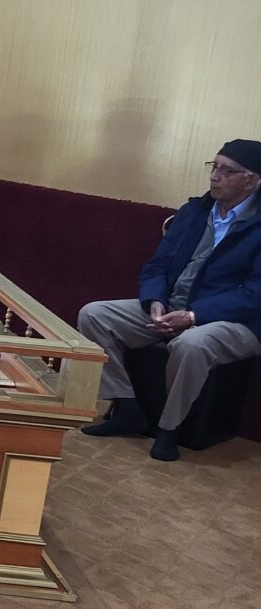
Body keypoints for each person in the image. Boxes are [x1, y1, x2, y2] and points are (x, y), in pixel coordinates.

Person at [78, 139, 261, 462]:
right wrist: (155, 301)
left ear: (252, 180)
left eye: (227, 170)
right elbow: (158, 265)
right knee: (94, 314)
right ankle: (127, 407)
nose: (214, 176)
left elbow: (254, 294)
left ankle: (168, 429)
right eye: (214, 166)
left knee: (191, 344)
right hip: (174, 305)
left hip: (236, 322)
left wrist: (193, 316)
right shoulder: (195, 211)